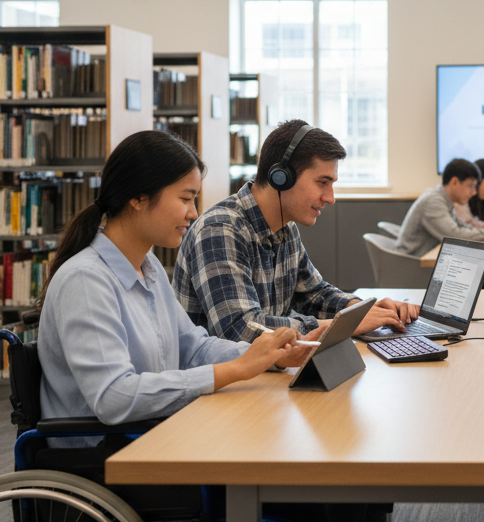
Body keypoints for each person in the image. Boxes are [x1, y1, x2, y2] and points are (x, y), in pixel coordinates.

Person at [36, 131, 322, 520]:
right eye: (185, 199)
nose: (192, 213)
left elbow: (192, 347)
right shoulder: (86, 280)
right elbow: (114, 398)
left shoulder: (148, 266)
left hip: (154, 434)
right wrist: (233, 370)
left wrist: (268, 355)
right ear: (138, 198)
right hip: (108, 459)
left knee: (296, 472)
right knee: (288, 483)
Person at [174, 120, 419, 342]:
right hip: (225, 386)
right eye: (322, 183)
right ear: (282, 177)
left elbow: (313, 294)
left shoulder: (285, 227)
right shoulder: (220, 230)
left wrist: (363, 310)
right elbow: (240, 328)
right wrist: (336, 325)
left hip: (267, 374)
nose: (330, 198)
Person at [395, 158, 484, 257]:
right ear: (454, 182)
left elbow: (462, 227)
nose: (473, 192)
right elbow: (454, 236)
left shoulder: (444, 200)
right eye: (470, 186)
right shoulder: (433, 202)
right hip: (413, 267)